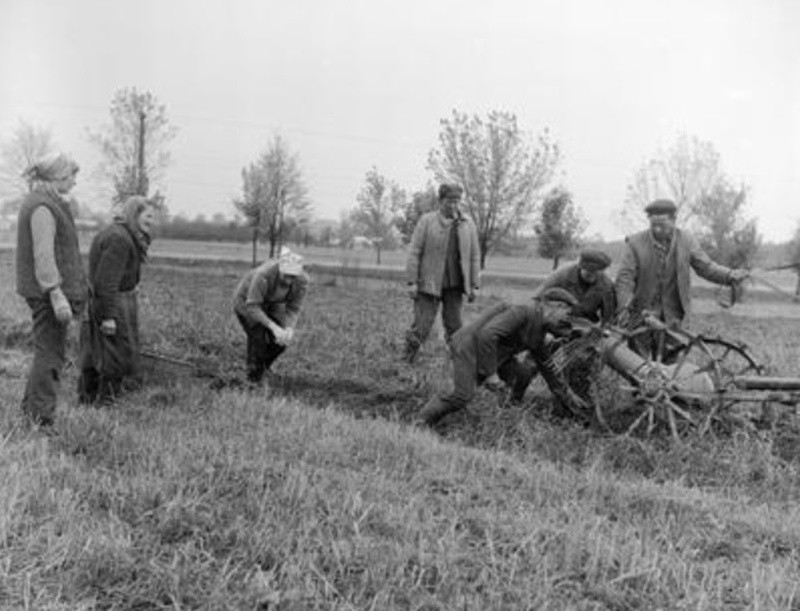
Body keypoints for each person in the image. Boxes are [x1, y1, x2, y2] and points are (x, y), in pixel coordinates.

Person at [415, 287, 585, 427]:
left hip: (493, 352)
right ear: (555, 306)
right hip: (468, 347)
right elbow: (487, 335)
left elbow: (548, 368)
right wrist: (491, 375)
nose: (565, 319)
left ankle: (508, 411)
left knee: (523, 373)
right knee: (461, 395)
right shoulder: (523, 311)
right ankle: (420, 423)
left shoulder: (540, 329)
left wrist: (569, 396)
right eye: (566, 313)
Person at [615, 198, 749, 358]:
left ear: (673, 220)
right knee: (638, 367)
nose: (657, 229)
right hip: (641, 315)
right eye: (653, 224)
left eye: (662, 224)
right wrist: (624, 308)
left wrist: (729, 275)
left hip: (674, 316)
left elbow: (706, 267)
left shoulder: (686, 241)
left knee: (670, 366)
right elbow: (624, 279)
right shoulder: (634, 243)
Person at [15, 153, 87, 428]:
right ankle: (40, 419)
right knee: (50, 355)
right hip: (48, 293)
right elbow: (43, 255)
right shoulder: (43, 208)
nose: (75, 181)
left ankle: (31, 410)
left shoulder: (46, 202)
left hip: (46, 291)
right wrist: (56, 293)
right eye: (71, 175)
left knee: (47, 351)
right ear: (57, 176)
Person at [77, 195, 157, 404]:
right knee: (114, 355)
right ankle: (104, 403)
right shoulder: (119, 239)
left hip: (117, 299)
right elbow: (106, 282)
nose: (152, 221)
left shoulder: (121, 234)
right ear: (134, 214)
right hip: (114, 302)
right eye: (148, 216)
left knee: (99, 351)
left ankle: (89, 400)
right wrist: (108, 317)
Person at [403, 183, 480, 363]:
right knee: (421, 325)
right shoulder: (427, 221)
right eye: (449, 201)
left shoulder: (468, 224)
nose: (454, 205)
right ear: (440, 200)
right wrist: (412, 282)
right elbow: (414, 252)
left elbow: (475, 255)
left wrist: (475, 285)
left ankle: (457, 362)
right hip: (429, 284)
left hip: (454, 285)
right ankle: (407, 360)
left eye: (457, 201)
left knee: (455, 327)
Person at [233, 249, 308, 385]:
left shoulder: (302, 281)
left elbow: (293, 308)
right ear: (280, 269)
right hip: (247, 303)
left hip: (271, 304)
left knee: (280, 343)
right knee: (258, 340)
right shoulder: (264, 275)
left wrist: (288, 328)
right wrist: (273, 327)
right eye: (286, 275)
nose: (288, 280)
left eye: (293, 277)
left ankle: (261, 368)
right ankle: (252, 379)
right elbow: (253, 306)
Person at [533, 248, 616, 323]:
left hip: (586, 324)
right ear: (580, 267)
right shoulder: (563, 274)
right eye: (589, 273)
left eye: (596, 272)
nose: (593, 276)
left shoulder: (607, 286)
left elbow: (608, 317)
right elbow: (536, 298)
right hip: (558, 320)